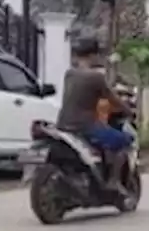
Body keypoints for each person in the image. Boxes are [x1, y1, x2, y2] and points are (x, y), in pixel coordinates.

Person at [57, 36, 134, 194]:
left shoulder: (69, 74)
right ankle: (113, 181)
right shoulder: (96, 77)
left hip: (63, 125)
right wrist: (129, 110)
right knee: (124, 140)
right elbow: (113, 99)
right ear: (93, 56)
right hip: (85, 127)